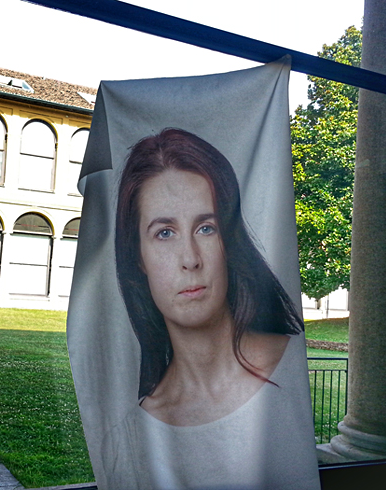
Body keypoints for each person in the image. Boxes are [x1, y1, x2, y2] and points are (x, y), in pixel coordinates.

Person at [105, 128, 320, 489]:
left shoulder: (294, 367)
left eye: (206, 228)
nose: (190, 259)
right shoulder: (130, 438)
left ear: (229, 242)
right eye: (164, 233)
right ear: (138, 256)